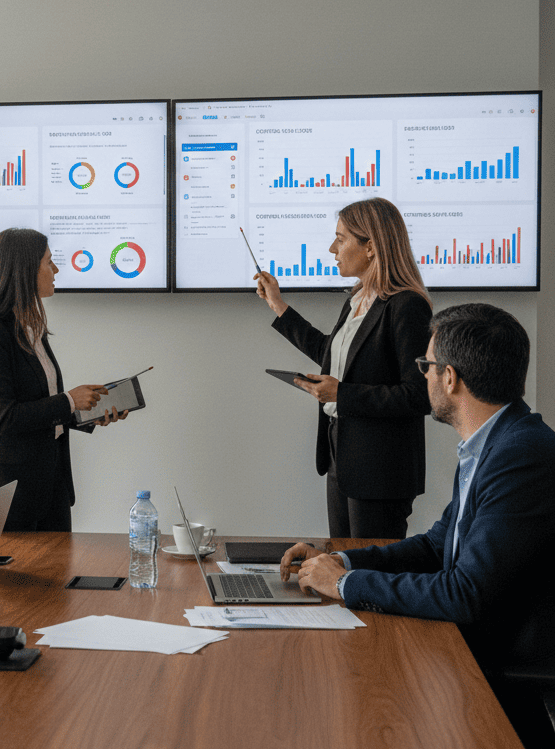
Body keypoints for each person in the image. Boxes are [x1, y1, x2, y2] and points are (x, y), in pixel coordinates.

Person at [280, 303, 555, 747]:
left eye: (426, 365)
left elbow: (464, 594)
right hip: (469, 644)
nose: (421, 376)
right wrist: (339, 560)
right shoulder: (494, 442)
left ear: (450, 378)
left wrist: (347, 584)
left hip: (497, 661)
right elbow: (434, 547)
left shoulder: (519, 454)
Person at [255, 197, 432, 539]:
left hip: (379, 468)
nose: (332, 248)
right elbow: (331, 353)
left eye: (341, 238)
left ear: (372, 247)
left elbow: (420, 395)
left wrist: (342, 393)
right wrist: (278, 306)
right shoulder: (356, 300)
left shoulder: (407, 306)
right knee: (342, 566)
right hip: (342, 454)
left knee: (370, 575)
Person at [0, 228, 127, 531]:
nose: (56, 269)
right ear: (24, 270)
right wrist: (70, 400)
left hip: (51, 488)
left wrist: (86, 413)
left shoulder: (30, 329)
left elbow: (42, 408)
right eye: (49, 262)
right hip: (9, 495)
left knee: (58, 576)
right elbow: (5, 418)